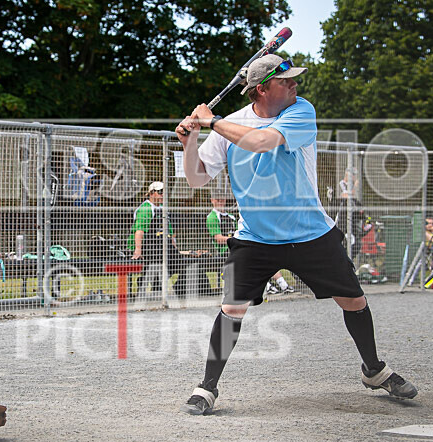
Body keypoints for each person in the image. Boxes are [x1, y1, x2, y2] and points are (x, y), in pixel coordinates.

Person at [174, 54, 418, 415]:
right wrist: (191, 141)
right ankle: (207, 387)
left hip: (310, 233)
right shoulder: (229, 125)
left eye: (293, 79)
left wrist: (212, 121)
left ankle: (374, 370)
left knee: (354, 301)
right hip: (256, 236)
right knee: (232, 308)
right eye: (285, 80)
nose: (295, 84)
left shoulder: (300, 111)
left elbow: (262, 141)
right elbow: (196, 178)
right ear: (262, 89)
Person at [207, 191, 293, 294]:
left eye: (222, 199)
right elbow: (219, 238)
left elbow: (240, 232)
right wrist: (237, 240)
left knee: (264, 253)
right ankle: (266, 286)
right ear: (212, 200)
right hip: (226, 249)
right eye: (218, 200)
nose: (221, 202)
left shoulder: (231, 216)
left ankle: (283, 284)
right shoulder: (212, 217)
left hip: (241, 245)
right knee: (252, 255)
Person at [128, 181, 187, 297]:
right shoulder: (145, 209)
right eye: (160, 192)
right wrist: (138, 250)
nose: (163, 195)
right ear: (151, 193)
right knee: (160, 260)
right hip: (146, 245)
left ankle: (154, 282)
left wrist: (174, 246)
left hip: (161, 245)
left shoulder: (163, 209)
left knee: (180, 262)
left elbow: (169, 232)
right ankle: (151, 283)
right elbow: (139, 231)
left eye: (164, 192)